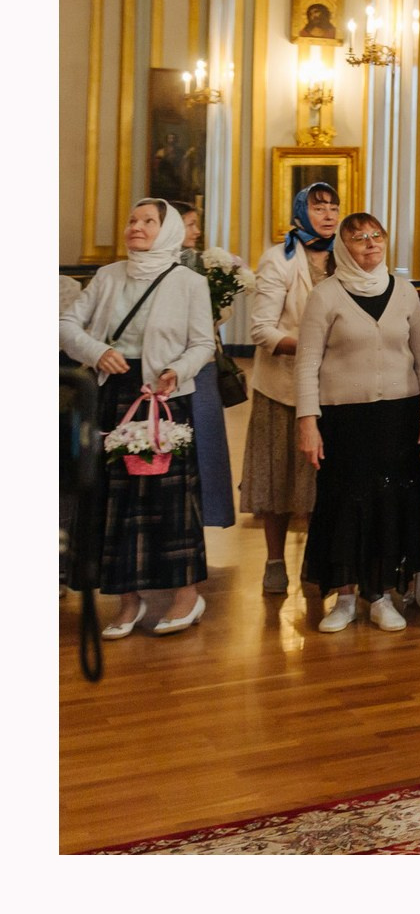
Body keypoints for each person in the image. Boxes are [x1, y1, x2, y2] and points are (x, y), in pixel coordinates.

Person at [60, 199, 217, 637]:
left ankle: (187, 596)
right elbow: (66, 325)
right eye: (132, 219)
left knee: (171, 501)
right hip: (112, 396)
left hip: (164, 398)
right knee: (116, 501)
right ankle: (128, 602)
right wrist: (98, 351)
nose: (136, 227)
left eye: (149, 221)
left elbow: (203, 343)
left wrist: (176, 371)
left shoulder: (188, 282)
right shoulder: (109, 276)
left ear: (166, 231)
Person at [293, 213, 420, 633]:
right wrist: (308, 422)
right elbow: (306, 364)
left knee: (388, 502)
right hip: (343, 419)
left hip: (397, 417)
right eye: (358, 238)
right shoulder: (325, 295)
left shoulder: (404, 292)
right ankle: (344, 598)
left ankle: (380, 595)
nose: (370, 244)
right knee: (344, 503)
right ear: (343, 247)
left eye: (377, 235)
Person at [247, 181, 338, 595]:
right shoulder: (279, 259)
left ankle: (316, 560)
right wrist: (308, 345)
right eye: (319, 207)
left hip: (332, 388)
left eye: (334, 207)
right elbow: (261, 329)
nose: (329, 214)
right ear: (301, 212)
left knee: (323, 482)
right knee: (277, 479)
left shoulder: (347, 256)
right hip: (282, 387)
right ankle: (274, 561)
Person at [167, 199, 235, 530]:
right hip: (165, 366)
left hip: (202, 364)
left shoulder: (201, 265)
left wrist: (221, 303)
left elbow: (215, 320)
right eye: (191, 224)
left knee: (206, 443)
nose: (197, 231)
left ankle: (204, 516)